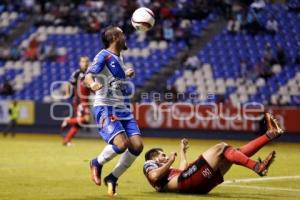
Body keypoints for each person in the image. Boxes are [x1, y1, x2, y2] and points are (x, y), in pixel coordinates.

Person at [143, 113, 284, 194]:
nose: (166, 156)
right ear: (154, 157)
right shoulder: (149, 164)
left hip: (196, 185)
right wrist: (169, 161)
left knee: (232, 154)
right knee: (221, 147)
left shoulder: (167, 174)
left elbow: (183, 171)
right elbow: (154, 175)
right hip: (186, 183)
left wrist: (182, 152)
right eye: (162, 155)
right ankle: (257, 166)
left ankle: (270, 134)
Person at [84, 26, 143, 196]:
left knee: (137, 146)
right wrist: (93, 84)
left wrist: (126, 73)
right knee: (122, 144)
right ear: (116, 37)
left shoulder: (119, 57)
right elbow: (88, 75)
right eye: (123, 34)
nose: (125, 37)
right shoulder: (103, 55)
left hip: (122, 108)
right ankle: (96, 162)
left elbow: (113, 79)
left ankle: (112, 177)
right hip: (106, 106)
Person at [61, 56, 91, 145]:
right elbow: (68, 83)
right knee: (86, 119)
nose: (85, 63)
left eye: (86, 61)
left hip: (86, 100)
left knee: (78, 124)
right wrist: (67, 93)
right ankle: (67, 121)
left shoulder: (90, 73)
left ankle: (67, 140)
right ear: (79, 63)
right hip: (80, 101)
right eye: (83, 61)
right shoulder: (77, 73)